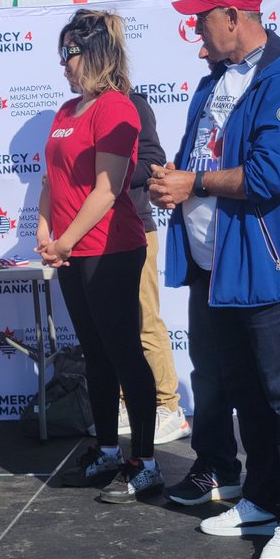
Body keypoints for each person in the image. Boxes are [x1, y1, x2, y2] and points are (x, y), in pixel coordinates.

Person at [150, 0, 280, 559]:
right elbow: (195, 160)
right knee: (244, 388)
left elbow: (269, 175)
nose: (194, 26)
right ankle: (261, 496)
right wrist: (172, 184)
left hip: (266, 267)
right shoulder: (216, 80)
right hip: (214, 265)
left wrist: (193, 181)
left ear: (234, 17)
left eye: (201, 15)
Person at [43, 8, 163, 504]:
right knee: (95, 355)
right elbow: (53, 180)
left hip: (110, 248)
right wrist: (45, 230)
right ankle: (108, 450)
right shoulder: (66, 111)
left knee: (124, 351)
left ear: (91, 52)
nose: (64, 65)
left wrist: (66, 240)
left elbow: (107, 190)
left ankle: (147, 461)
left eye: (69, 54)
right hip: (72, 248)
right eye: (62, 55)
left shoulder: (117, 107)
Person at [116, 91, 191, 445]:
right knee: (112, 325)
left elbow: (152, 161)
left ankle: (168, 407)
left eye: (70, 56)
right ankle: (124, 402)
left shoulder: (132, 103)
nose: (64, 66)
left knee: (145, 319)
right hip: (94, 232)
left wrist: (105, 172)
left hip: (134, 226)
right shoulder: (79, 109)